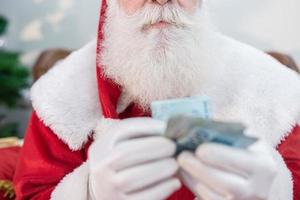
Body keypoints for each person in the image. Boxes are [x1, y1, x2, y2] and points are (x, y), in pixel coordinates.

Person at [14, 0, 300, 199]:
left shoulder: (271, 88)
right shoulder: (63, 94)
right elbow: (33, 191)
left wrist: (276, 190)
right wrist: (89, 192)